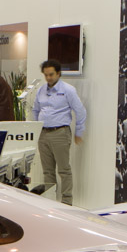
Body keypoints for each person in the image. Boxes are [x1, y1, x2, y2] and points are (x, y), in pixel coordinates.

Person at [32, 59, 86, 205]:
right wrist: (36, 129)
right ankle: (50, 201)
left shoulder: (68, 90)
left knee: (63, 169)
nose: (49, 78)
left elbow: (80, 111)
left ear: (58, 74)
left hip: (60, 133)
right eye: (46, 75)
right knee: (47, 170)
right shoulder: (41, 90)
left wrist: (79, 132)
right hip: (43, 134)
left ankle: (67, 201)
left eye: (51, 74)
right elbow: (35, 110)